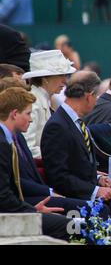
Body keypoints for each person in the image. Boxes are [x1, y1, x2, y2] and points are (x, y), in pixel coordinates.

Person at [41, 71, 111, 218]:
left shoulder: (75, 121)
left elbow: (78, 166)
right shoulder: (58, 126)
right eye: (97, 96)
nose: (97, 100)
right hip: (77, 201)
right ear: (89, 96)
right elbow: (58, 176)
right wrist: (95, 190)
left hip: (91, 194)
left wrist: (99, 179)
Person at [0, 87, 69, 241]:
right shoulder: (2, 143)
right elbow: (3, 195)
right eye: (28, 113)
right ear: (14, 114)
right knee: (68, 226)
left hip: (13, 207)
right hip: (6, 215)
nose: (31, 119)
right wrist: (32, 210)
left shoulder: (7, 140)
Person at [22, 50, 76, 159]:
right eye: (61, 75)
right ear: (45, 79)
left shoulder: (42, 99)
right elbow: (28, 147)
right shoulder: (34, 102)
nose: (65, 81)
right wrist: (61, 154)